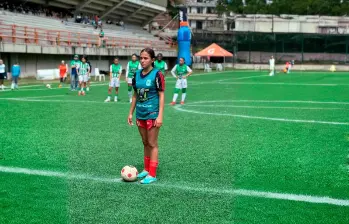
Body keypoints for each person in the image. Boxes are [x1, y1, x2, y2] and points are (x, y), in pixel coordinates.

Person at [127, 48, 165, 184]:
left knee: (152, 143)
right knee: (145, 142)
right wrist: (131, 112)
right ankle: (146, 169)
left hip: (153, 114)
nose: (142, 61)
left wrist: (160, 115)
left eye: (146, 58)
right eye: (141, 58)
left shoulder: (157, 74)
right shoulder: (136, 74)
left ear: (152, 60)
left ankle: (152, 174)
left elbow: (161, 95)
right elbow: (135, 95)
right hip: (140, 114)